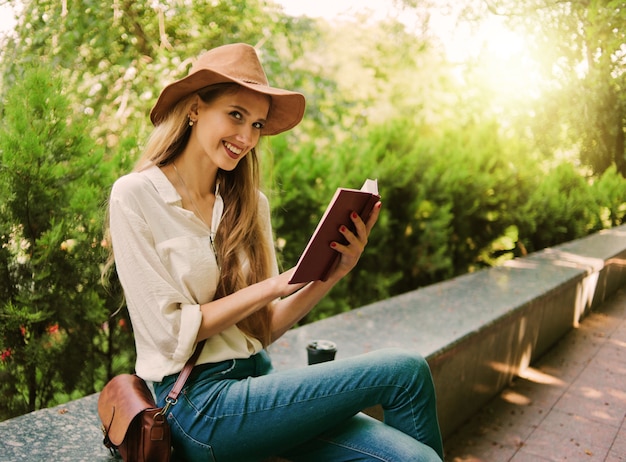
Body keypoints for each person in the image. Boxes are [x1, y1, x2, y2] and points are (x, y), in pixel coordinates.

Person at [107, 42, 443, 462]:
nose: (247, 137)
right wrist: (275, 284)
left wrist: (334, 273)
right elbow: (169, 335)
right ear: (195, 108)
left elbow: (262, 330)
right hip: (199, 406)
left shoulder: (251, 204)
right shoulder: (136, 196)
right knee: (405, 371)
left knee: (417, 460)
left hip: (258, 387)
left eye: (258, 125)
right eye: (236, 115)